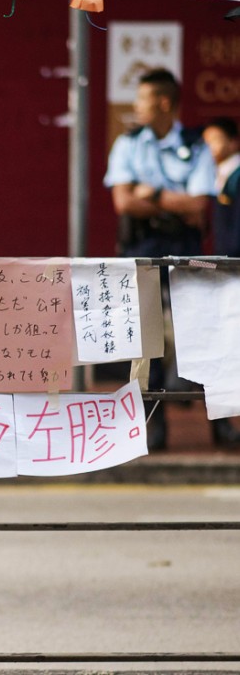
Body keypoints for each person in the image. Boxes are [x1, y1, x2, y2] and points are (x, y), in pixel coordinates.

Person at [104, 67, 240, 450]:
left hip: (186, 248)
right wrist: (168, 202)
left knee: (203, 333)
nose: (136, 107)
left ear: (164, 103)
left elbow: (199, 204)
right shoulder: (128, 144)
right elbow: (123, 201)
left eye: (143, 99)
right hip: (142, 248)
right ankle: (153, 422)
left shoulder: (196, 146)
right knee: (146, 342)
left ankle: (220, 423)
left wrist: (153, 195)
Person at [202, 116, 240, 257]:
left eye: (214, 140)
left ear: (233, 142)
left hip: (234, 263)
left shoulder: (237, 177)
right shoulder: (213, 175)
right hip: (218, 260)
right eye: (205, 141)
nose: (208, 146)